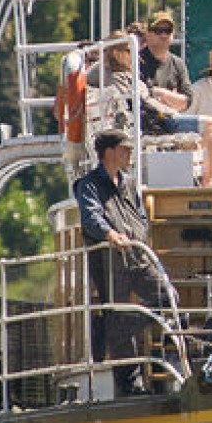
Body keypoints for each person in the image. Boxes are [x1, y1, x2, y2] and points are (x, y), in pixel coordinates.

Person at [72, 130, 180, 395]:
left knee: (168, 297)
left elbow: (140, 216)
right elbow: (91, 217)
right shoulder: (88, 185)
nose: (130, 153)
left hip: (137, 256)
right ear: (109, 152)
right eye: (125, 149)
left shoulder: (129, 184)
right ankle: (131, 385)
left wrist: (137, 235)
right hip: (109, 260)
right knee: (117, 310)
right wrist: (111, 235)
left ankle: (115, 327)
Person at [97, 30, 212, 187]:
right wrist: (167, 109)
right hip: (158, 122)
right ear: (118, 53)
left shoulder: (124, 76)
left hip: (158, 118)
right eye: (130, 52)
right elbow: (143, 104)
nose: (137, 57)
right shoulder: (120, 78)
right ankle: (210, 179)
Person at [138, 11, 192, 101]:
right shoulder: (135, 61)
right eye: (158, 31)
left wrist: (159, 93)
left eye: (168, 31)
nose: (163, 35)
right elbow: (139, 100)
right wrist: (173, 97)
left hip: (173, 115)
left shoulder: (178, 64)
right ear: (147, 33)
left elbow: (187, 100)